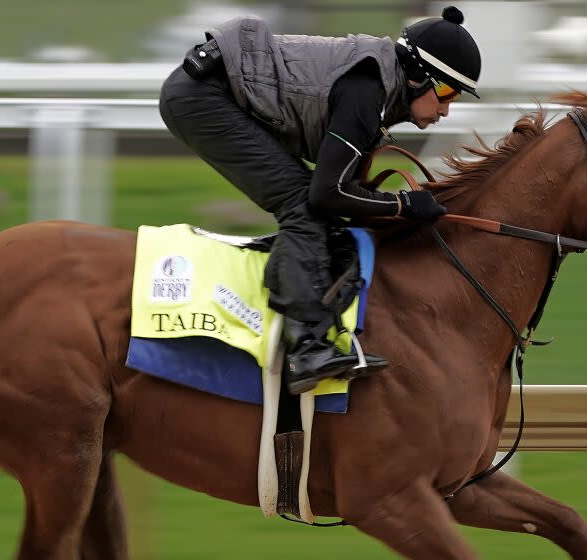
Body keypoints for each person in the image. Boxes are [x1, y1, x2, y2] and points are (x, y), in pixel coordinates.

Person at [158, 6, 482, 395]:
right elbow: (328, 195)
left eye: (456, 97)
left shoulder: (381, 92)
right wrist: (404, 206)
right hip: (201, 98)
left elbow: (348, 195)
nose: (447, 109)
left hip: (217, 88)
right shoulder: (367, 95)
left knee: (314, 204)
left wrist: (396, 207)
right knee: (303, 202)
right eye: (446, 91)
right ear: (417, 77)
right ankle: (307, 348)